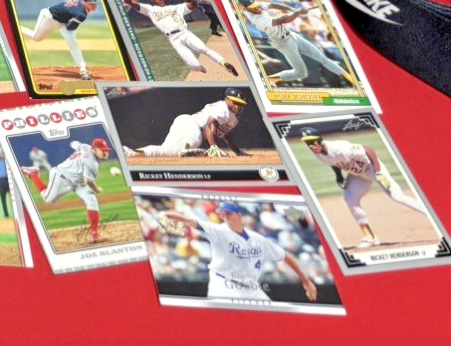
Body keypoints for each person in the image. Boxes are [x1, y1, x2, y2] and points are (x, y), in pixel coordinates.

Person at [156, 202, 319, 303]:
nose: (224, 216)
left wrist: (306, 281)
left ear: (239, 215)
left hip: (252, 290)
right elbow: (189, 221)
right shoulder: (217, 230)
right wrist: (164, 214)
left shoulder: (258, 239)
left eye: (228, 213)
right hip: (223, 285)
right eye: (222, 214)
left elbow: (285, 256)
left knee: (275, 323)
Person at [299, 127, 433, 248]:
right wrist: (339, 176)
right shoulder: (317, 154)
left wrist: (378, 172)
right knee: (350, 198)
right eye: (307, 143)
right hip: (358, 175)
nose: (311, 145)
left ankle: (435, 216)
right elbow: (333, 162)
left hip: (372, 169)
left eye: (312, 142)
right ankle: (370, 237)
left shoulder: (339, 148)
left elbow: (368, 150)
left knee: (397, 196)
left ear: (319, 140)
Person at [235, 0, 359, 89]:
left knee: (322, 58)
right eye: (254, 7)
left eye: (256, 5)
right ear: (246, 8)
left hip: (291, 35)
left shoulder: (256, 6)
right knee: (301, 73)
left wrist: (292, 8)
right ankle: (271, 79)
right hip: (283, 43)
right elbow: (282, 20)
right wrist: (297, 13)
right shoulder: (257, 19)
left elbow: (273, 4)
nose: (257, 8)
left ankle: (352, 80)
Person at [20, 137, 112, 244]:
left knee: (91, 200)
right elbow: (88, 182)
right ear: (95, 149)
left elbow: (73, 142)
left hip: (78, 182)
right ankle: (34, 173)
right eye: (102, 150)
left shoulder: (86, 147)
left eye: (106, 150)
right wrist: (97, 189)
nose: (105, 153)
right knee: (47, 198)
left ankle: (94, 234)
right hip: (62, 177)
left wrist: (81, 150)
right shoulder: (91, 163)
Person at [131, 0, 239, 76]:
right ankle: (200, 68)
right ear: (152, 0)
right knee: (194, 66)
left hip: (185, 33)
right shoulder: (150, 10)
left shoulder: (176, 7)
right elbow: (131, 3)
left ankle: (223, 63)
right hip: (174, 39)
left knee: (204, 49)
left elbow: (193, 3)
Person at [124, 89, 250, 157]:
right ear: (226, 99)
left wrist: (237, 151)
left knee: (167, 152)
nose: (238, 106)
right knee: (196, 139)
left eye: (241, 104)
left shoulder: (233, 119)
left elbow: (227, 136)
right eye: (235, 102)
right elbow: (210, 124)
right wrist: (213, 146)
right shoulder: (222, 108)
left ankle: (133, 153)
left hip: (185, 123)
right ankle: (187, 150)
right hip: (191, 123)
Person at [23, 0, 100, 80]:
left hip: (62, 22)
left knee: (74, 44)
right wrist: (73, 23)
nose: (94, 5)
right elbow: (70, 27)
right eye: (91, 3)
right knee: (36, 37)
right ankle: (17, 27)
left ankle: (83, 70)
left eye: (94, 3)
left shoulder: (80, 5)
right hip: (49, 17)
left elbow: (70, 20)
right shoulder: (81, 14)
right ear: (84, 2)